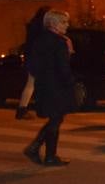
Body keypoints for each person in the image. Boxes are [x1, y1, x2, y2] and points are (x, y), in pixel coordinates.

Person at [22, 10, 74, 167]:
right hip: (57, 86)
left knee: (55, 119)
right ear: (53, 23)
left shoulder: (39, 40)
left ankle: (39, 149)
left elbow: (34, 65)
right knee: (56, 119)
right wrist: (71, 81)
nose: (67, 25)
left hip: (44, 85)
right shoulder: (59, 42)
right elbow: (63, 67)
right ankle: (47, 154)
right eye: (63, 22)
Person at [15, 5, 52, 120]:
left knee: (32, 84)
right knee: (34, 84)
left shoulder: (33, 26)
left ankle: (23, 108)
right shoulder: (42, 28)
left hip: (32, 58)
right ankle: (25, 109)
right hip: (37, 59)